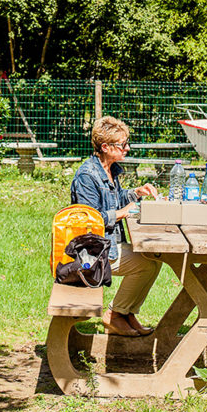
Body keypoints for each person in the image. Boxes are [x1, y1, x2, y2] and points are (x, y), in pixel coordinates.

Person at [70, 115, 162, 338]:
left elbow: (114, 197)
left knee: (153, 259)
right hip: (91, 252)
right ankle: (115, 315)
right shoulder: (86, 176)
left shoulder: (108, 169)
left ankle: (126, 314)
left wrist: (135, 193)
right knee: (147, 264)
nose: (127, 148)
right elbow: (88, 220)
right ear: (105, 146)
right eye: (122, 145)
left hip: (106, 246)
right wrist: (121, 213)